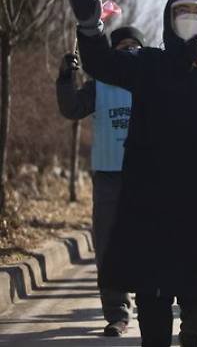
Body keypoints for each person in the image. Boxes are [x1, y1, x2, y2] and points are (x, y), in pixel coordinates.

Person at [67, 0, 197, 347]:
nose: (189, 17)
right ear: (169, 18)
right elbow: (102, 63)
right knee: (152, 299)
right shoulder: (147, 63)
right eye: (181, 10)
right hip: (147, 204)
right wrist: (91, 29)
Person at [56, 26, 145, 337]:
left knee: (147, 243)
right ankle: (117, 313)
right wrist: (67, 78)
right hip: (108, 175)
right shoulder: (100, 86)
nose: (129, 51)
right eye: (122, 46)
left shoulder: (154, 84)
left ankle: (148, 306)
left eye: (135, 46)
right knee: (108, 246)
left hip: (146, 176)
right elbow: (71, 108)